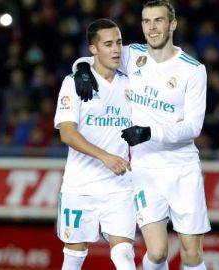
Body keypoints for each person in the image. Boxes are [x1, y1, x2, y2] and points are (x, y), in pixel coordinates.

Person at [73, 1, 211, 269]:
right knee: (158, 252)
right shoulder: (132, 55)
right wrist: (81, 70)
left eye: (158, 21)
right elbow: (96, 53)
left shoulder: (192, 70)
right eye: (146, 21)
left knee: (191, 253)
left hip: (183, 168)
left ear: (172, 25)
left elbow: (193, 127)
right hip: (145, 168)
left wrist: (149, 132)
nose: (152, 27)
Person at [54, 18, 136, 270]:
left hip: (120, 185)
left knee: (124, 255)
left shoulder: (131, 81)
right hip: (80, 186)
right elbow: (67, 133)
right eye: (108, 44)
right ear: (93, 49)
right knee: (73, 258)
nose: (116, 49)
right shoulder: (74, 82)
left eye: (119, 43)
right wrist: (105, 156)